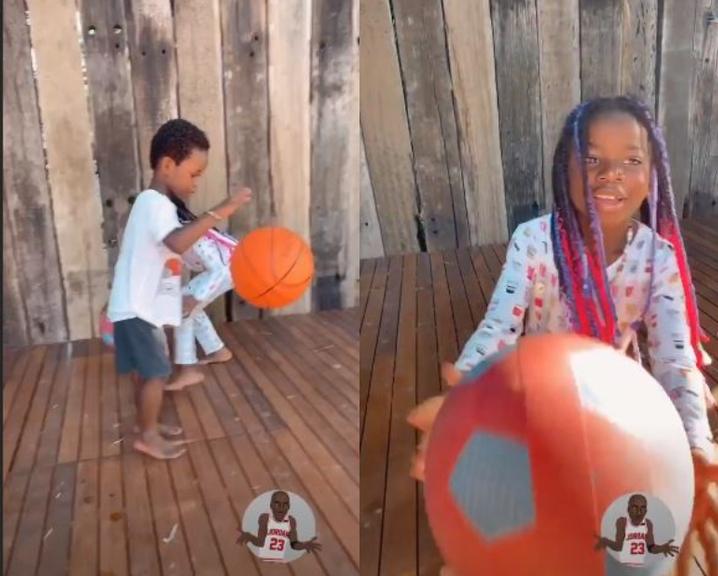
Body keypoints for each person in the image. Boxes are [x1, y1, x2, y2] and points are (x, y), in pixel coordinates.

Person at [407, 96, 718, 575]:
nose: (610, 173)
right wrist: (466, 390)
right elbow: (500, 325)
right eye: (591, 159)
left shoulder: (659, 257)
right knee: (527, 516)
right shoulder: (533, 240)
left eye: (631, 161)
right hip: (533, 395)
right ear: (564, 167)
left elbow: (676, 357)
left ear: (653, 175)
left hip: (618, 405)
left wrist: (694, 442)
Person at [107, 118, 251, 460]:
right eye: (194, 174)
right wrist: (221, 211)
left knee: (148, 374)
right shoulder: (153, 202)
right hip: (135, 309)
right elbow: (177, 240)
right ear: (168, 165)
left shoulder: (156, 205)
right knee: (156, 373)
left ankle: (149, 425)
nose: (196, 183)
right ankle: (147, 436)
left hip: (138, 308)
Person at [164, 193, 238, 391]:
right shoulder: (175, 234)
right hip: (225, 270)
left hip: (228, 271)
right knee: (188, 307)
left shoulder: (190, 234)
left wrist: (196, 297)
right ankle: (217, 350)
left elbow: (220, 269)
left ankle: (188, 370)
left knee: (183, 310)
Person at [237, 490, 322, 562]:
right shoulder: (265, 518)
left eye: (285, 504)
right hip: (262, 560)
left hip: (280, 563)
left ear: (288, 507)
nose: (281, 507)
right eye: (277, 504)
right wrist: (249, 537)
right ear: (271, 505)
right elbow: (260, 542)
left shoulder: (291, 521)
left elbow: (294, 544)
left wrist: (304, 545)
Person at [595, 494, 680, 564]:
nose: (639, 512)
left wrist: (662, 548)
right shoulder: (622, 522)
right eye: (635, 507)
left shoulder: (648, 524)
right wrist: (606, 541)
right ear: (628, 509)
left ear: (646, 510)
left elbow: (651, 547)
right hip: (623, 566)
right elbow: (618, 546)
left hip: (639, 568)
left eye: (642, 508)